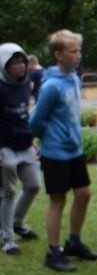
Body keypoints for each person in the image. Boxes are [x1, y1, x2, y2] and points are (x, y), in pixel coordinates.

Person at [29, 29, 97, 272]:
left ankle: (74, 242)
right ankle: (53, 252)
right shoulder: (50, 86)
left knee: (84, 194)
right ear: (58, 54)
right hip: (55, 152)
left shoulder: (74, 79)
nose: (79, 55)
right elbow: (35, 121)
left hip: (75, 149)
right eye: (73, 51)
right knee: (57, 200)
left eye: (79, 50)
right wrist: (50, 138)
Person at [0, 43, 41, 255]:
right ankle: (7, 240)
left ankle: (17, 222)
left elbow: (24, 113)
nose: (19, 66)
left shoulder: (26, 84)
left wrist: (32, 139)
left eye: (21, 61)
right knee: (8, 192)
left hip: (25, 145)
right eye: (13, 62)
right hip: (5, 147)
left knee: (34, 186)